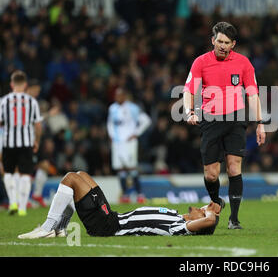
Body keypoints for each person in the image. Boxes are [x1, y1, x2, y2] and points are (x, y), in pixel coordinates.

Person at [183, 22, 266, 229]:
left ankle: (234, 219)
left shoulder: (244, 63)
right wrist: (189, 110)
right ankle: (217, 201)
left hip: (236, 119)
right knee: (211, 173)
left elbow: (253, 93)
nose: (222, 45)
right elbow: (188, 90)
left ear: (233, 44)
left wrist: (260, 123)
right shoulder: (201, 62)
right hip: (210, 120)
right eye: (219, 41)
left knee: (233, 167)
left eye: (226, 42)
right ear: (213, 40)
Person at [18, 171, 221, 239]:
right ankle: (60, 228)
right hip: (112, 217)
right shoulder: (175, 214)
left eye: (202, 211)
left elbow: (207, 221)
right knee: (81, 174)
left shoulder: (178, 228)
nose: (201, 208)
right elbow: (206, 217)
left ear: (201, 221)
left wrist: (211, 215)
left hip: (107, 226)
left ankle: (46, 228)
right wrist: (211, 208)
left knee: (70, 179)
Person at [0, 70, 43, 216]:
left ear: (12, 84)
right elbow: (38, 125)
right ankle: (23, 208)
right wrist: (36, 141)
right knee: (25, 174)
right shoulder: (32, 102)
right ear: (25, 85)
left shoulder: (4, 101)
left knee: (8, 173)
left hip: (8, 143)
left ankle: (13, 201)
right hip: (26, 143)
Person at [107, 88, 151, 204]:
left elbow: (146, 121)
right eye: (116, 95)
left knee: (132, 168)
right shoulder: (112, 108)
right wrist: (111, 135)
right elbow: (110, 124)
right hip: (117, 143)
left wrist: (135, 133)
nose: (117, 97)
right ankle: (125, 195)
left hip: (129, 143)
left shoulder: (133, 108)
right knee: (121, 169)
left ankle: (140, 194)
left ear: (124, 96)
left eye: (119, 95)